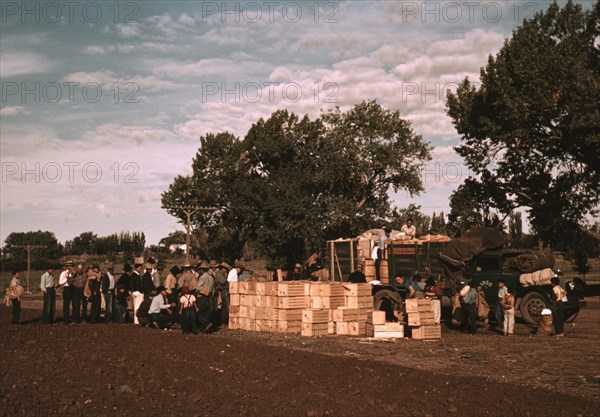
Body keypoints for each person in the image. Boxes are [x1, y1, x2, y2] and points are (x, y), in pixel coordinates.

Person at [196, 261, 215, 333]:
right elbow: (213, 289)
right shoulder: (212, 277)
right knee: (207, 313)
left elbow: (198, 288)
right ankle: (206, 327)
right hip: (210, 297)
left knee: (200, 313)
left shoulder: (203, 277)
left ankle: (206, 324)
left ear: (202, 269)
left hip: (203, 296)